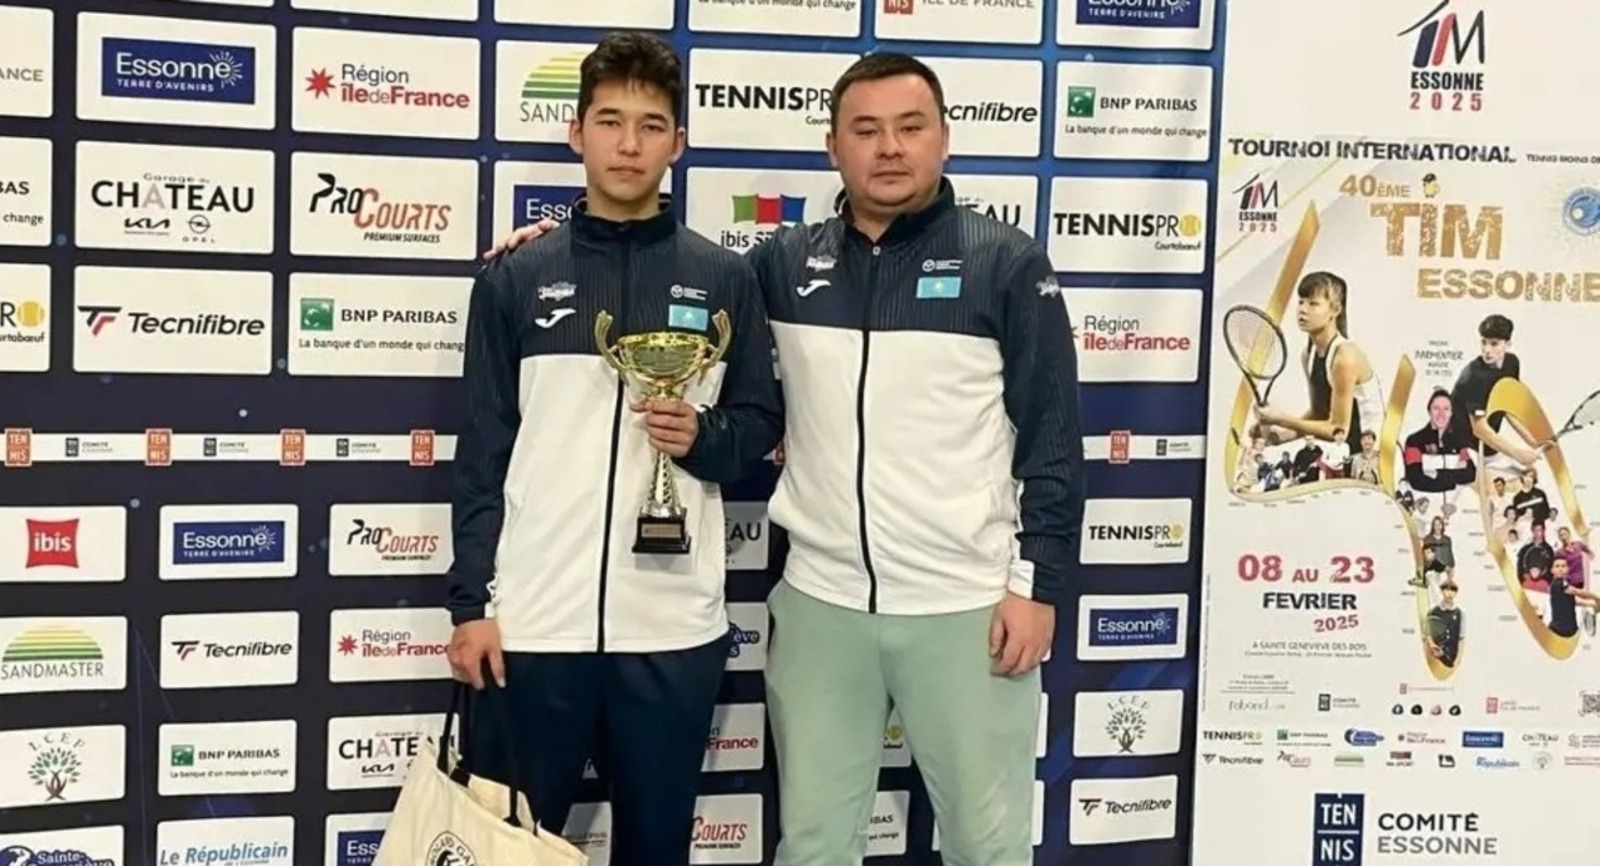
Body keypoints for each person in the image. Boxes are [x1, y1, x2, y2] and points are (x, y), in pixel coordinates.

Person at [489, 50, 1083, 866]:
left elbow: (1054, 437)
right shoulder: (781, 265)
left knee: (988, 850)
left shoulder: (1005, 263)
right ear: (833, 147)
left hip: (966, 606)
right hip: (820, 606)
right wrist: (553, 250)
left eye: (910, 127)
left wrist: (1037, 584)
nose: (889, 148)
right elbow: (664, 270)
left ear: (944, 138)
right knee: (811, 848)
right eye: (865, 130)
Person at [444, 32, 783, 864]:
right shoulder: (516, 277)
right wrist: (471, 607)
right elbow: (483, 453)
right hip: (533, 626)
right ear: (577, 133)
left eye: (650, 125)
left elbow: (759, 427)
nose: (629, 144)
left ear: (679, 142)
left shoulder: (724, 277)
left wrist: (704, 437)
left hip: (671, 629)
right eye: (610, 121)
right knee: (510, 853)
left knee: (657, 849)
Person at [1252, 271, 1384, 455]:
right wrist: (1281, 436)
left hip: (1373, 456)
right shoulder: (1308, 355)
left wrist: (1280, 419)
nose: (1303, 310)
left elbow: (1338, 429)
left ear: (1335, 310)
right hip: (1345, 454)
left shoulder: (1345, 357)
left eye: (1313, 303)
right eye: (1301, 302)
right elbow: (1319, 412)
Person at [1450, 313, 1537, 470]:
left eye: (1494, 344)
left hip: (1488, 447)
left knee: (1529, 474)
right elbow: (1480, 429)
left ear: (1507, 344)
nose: (1487, 350)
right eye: (1484, 342)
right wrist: (1517, 453)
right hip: (1459, 447)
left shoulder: (1512, 363)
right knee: (1489, 484)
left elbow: (1508, 408)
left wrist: (1532, 441)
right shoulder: (1474, 375)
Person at [1403, 389, 1475, 514]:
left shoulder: (1459, 442)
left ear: (1451, 413)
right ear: (1429, 411)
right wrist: (1454, 477)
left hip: (1454, 510)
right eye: (1436, 408)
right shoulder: (1414, 441)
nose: (1441, 414)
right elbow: (1416, 479)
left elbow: (1470, 473)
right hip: (1424, 509)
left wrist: (1437, 474)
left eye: (1446, 409)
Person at [1425, 580, 1462, 666]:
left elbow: (1460, 637)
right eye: (1447, 590)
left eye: (1453, 590)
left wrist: (1458, 659)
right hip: (1438, 652)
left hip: (1453, 654)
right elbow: (1427, 632)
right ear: (1442, 591)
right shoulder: (1434, 611)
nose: (1450, 593)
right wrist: (1431, 644)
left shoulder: (1458, 612)